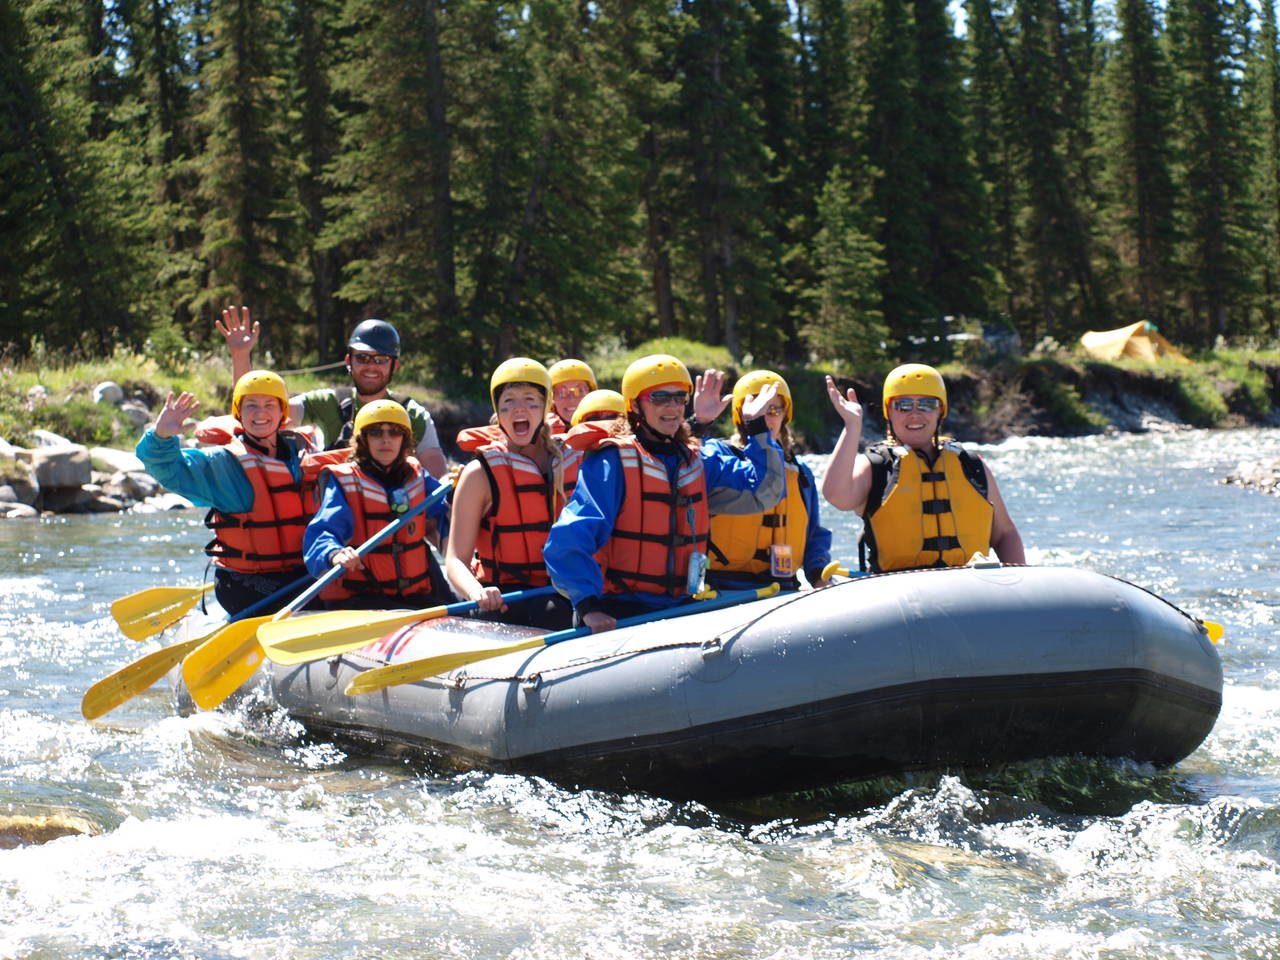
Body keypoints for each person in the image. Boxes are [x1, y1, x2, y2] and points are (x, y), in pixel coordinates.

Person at [544, 354, 787, 633]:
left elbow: (765, 490)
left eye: (679, 397)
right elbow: (568, 539)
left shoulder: (699, 460)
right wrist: (588, 606)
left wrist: (756, 427)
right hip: (618, 609)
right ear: (636, 405)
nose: (672, 406)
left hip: (683, 605)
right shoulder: (612, 462)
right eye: (659, 397)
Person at [136, 370, 318, 615]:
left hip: (300, 572)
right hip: (243, 581)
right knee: (316, 599)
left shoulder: (304, 457)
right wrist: (161, 436)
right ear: (238, 412)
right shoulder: (223, 463)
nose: (260, 413)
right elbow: (168, 469)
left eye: (269, 405)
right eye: (251, 405)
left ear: (282, 412)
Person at [821, 362, 1025, 572]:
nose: (915, 414)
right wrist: (852, 426)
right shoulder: (877, 466)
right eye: (903, 405)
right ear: (889, 411)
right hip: (899, 585)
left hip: (968, 584)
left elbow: (1004, 534)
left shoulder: (971, 465)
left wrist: (1019, 580)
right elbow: (836, 496)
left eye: (927, 404)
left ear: (940, 410)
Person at [218, 306, 448, 478]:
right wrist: (240, 355)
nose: (371, 367)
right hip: (336, 515)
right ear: (349, 361)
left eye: (380, 360)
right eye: (363, 358)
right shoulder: (327, 402)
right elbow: (259, 410)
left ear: (394, 365)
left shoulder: (414, 414)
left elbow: (438, 476)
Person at [446, 358, 578, 629]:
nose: (519, 408)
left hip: (560, 590)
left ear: (545, 407)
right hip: (500, 597)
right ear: (498, 411)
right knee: (548, 613)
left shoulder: (573, 459)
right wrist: (476, 592)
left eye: (530, 400)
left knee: (556, 612)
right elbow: (455, 560)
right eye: (509, 401)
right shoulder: (479, 474)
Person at [302, 400, 452, 609]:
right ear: (363, 439)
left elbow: (446, 512)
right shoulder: (345, 481)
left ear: (404, 439)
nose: (386, 439)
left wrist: (457, 493)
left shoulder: (417, 475)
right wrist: (334, 553)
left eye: (394, 432)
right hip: (362, 597)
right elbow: (322, 532)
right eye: (375, 432)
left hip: (414, 595)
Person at [704, 370, 833, 592]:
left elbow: (812, 533)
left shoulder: (800, 472)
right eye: (757, 409)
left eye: (773, 410)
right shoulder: (719, 456)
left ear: (785, 415)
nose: (765, 417)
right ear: (740, 416)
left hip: (783, 587)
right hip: (722, 586)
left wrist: (818, 573)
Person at [546, 358, 597, 434]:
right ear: (551, 398)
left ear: (590, 393)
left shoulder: (610, 427)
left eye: (579, 390)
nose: (572, 399)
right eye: (562, 392)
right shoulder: (537, 434)